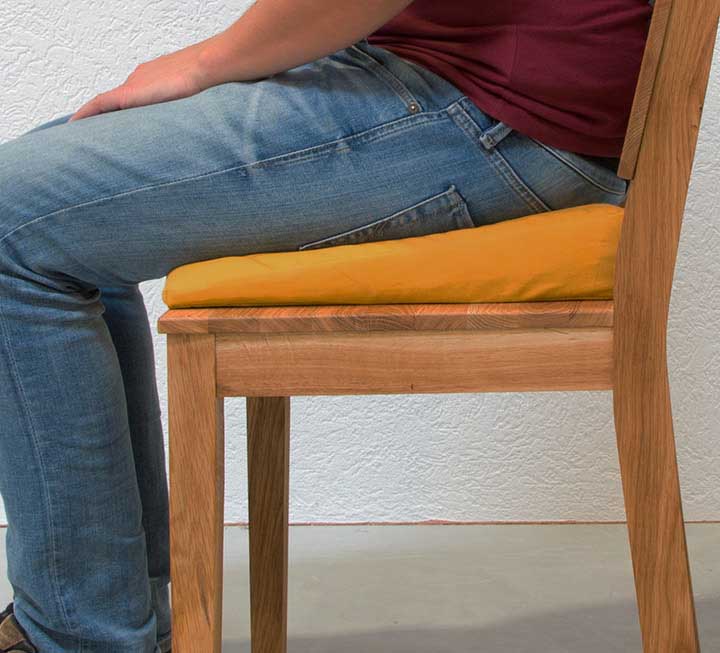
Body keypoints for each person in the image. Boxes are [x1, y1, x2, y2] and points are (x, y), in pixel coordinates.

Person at [0, 0, 653, 651]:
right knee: (55, 208)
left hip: (501, 118)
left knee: (14, 218)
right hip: (473, 91)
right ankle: (106, 614)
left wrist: (205, 62)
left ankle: (82, 636)